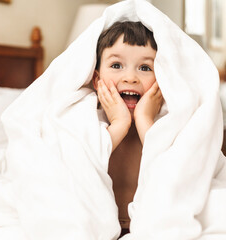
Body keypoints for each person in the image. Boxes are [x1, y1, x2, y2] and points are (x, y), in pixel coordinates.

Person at [91, 21, 163, 234]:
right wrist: (120, 124)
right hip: (97, 227)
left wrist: (144, 121)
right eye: (116, 65)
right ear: (97, 80)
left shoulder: (165, 127)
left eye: (145, 68)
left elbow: (174, 171)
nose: (130, 78)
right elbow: (79, 167)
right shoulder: (87, 123)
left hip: (151, 227)